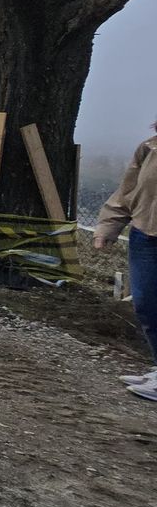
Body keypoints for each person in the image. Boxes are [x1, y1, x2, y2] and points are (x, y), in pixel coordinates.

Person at [94, 120, 157, 401]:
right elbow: (127, 191)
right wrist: (109, 225)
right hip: (146, 235)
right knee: (146, 305)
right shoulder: (149, 148)